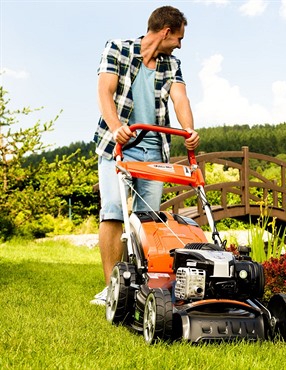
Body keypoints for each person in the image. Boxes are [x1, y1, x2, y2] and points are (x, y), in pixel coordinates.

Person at [91, 6, 200, 305]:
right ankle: (111, 289)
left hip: (154, 150)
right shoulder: (117, 49)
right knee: (113, 210)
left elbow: (180, 97)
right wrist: (116, 128)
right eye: (178, 37)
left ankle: (139, 286)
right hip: (117, 147)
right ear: (166, 31)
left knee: (146, 222)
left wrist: (188, 130)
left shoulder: (172, 64)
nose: (180, 44)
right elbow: (105, 91)